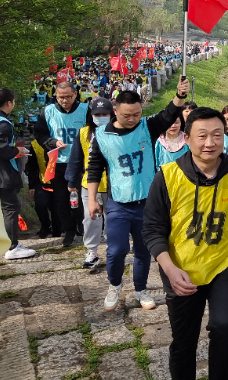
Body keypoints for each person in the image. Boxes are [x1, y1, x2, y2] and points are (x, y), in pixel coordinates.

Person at [142, 108, 228, 380]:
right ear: (186, 138)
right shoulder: (167, 176)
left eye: (217, 135)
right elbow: (152, 229)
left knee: (226, 325)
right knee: (184, 339)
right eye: (201, 136)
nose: (210, 143)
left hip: (223, 262)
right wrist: (168, 268)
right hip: (181, 268)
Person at [85, 77, 191, 312]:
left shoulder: (147, 127)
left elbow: (168, 113)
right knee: (116, 250)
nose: (132, 119)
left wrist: (180, 95)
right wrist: (92, 200)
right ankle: (114, 285)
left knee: (144, 251)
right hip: (118, 203)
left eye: (136, 114)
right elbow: (94, 169)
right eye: (126, 115)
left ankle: (140, 289)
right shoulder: (101, 136)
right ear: (115, 111)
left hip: (147, 203)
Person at [34, 80, 89, 247]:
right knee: (61, 199)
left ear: (75, 95)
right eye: (60, 97)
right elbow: (39, 133)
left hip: (80, 162)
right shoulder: (48, 111)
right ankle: (69, 231)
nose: (64, 100)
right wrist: (52, 142)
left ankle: (83, 226)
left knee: (82, 197)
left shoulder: (85, 110)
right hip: (58, 162)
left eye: (68, 97)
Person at [65, 97, 114, 270]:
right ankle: (92, 251)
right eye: (97, 114)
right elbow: (76, 159)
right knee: (90, 218)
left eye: (104, 114)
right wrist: (72, 180)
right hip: (89, 185)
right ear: (91, 115)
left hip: (113, 185)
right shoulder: (84, 133)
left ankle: (113, 249)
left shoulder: (117, 132)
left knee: (113, 220)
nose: (100, 117)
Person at [0, 88, 35, 260]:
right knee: (10, 208)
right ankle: (12, 246)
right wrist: (16, 150)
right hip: (2, 172)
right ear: (9, 102)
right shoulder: (2, 123)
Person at [26, 138, 61, 238]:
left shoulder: (59, 140)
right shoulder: (35, 144)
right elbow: (32, 166)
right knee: (40, 205)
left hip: (58, 181)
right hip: (42, 181)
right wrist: (31, 185)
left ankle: (58, 231)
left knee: (56, 208)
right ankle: (45, 227)